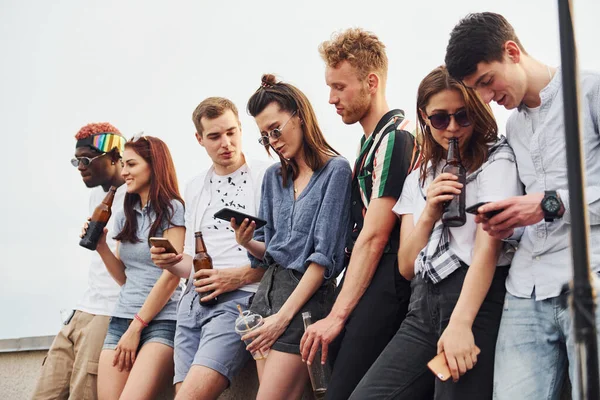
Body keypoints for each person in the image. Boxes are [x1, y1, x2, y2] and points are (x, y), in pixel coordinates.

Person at [445, 12, 600, 400]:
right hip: (525, 292)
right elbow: (534, 212)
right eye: (475, 90)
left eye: (486, 81)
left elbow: (547, 205)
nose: (485, 98)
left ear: (512, 51)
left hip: (589, 280)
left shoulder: (589, 92)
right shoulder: (513, 130)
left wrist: (548, 204)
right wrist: (507, 223)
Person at [350, 65, 522, 399]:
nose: (454, 128)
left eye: (463, 116)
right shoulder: (421, 175)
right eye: (441, 119)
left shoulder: (496, 160)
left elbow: (487, 250)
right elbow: (406, 265)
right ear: (424, 117)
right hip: (423, 305)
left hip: (473, 299)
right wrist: (429, 211)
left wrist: (461, 323)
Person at [299, 28, 419, 400]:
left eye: (339, 87)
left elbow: (375, 235)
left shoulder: (396, 137)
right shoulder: (369, 142)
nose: (331, 98)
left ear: (371, 81)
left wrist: (337, 315)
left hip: (388, 281)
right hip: (366, 277)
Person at [232, 74, 352, 400]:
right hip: (264, 298)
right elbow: (269, 251)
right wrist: (246, 241)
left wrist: (282, 319)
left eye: (276, 129)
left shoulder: (336, 171)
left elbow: (323, 258)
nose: (273, 140)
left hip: (304, 304)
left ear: (299, 116)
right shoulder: (273, 177)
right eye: (264, 136)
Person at [150, 97, 270, 399]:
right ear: (199, 139)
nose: (226, 143)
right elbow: (192, 263)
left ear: (241, 129)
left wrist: (237, 277)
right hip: (191, 306)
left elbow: (283, 254)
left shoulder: (267, 176)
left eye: (231, 132)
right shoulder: (194, 186)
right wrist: (169, 261)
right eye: (215, 136)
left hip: (238, 303)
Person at [32, 123, 126, 400]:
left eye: (86, 159)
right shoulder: (95, 196)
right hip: (82, 308)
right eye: (76, 160)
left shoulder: (134, 199)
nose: (79, 167)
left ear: (113, 157)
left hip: (109, 312)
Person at [86, 134, 185, 399]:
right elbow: (124, 278)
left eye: (131, 164)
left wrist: (137, 327)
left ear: (153, 165)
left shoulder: (173, 210)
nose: (125, 171)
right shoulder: (123, 216)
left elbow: (172, 276)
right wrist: (102, 247)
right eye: (124, 165)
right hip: (121, 319)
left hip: (162, 321)